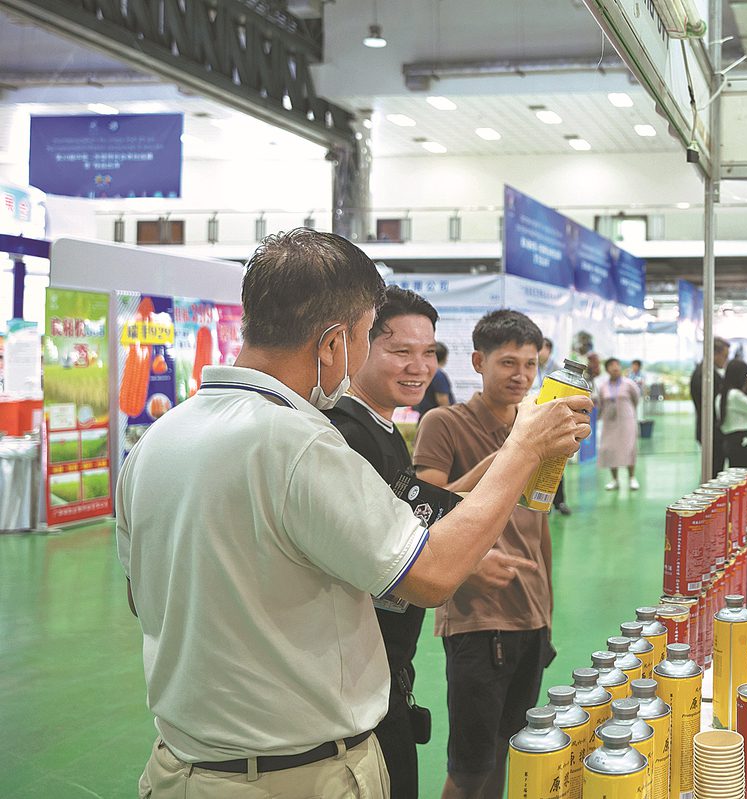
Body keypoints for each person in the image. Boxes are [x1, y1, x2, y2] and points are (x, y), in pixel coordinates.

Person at [116, 229, 591, 798]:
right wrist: (524, 450)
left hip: (182, 768)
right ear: (334, 341)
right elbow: (431, 575)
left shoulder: (156, 442)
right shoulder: (301, 443)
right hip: (295, 774)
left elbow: (140, 596)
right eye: (371, 337)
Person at [413, 310, 558, 799]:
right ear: (478, 361)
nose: (520, 375)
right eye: (507, 362)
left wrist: (547, 612)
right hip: (477, 621)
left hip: (529, 618)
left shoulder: (534, 428)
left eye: (530, 365)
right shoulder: (444, 424)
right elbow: (424, 515)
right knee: (472, 766)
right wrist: (509, 455)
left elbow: (538, 529)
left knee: (511, 753)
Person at [323, 286, 439, 798]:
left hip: (389, 669)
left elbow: (418, 509)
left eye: (429, 352)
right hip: (358, 677)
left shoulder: (385, 430)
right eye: (401, 351)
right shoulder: (345, 435)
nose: (419, 366)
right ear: (356, 346)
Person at [532, 337, 571, 515]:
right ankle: (537, 502)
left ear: (548, 349)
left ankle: (559, 502)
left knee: (555, 464)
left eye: (540, 349)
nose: (537, 353)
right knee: (535, 464)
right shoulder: (532, 368)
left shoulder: (558, 372)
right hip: (534, 419)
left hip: (553, 422)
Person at [597, 357, 641, 491]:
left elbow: (636, 399)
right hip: (610, 423)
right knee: (611, 450)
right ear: (607, 369)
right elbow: (600, 403)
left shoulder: (629, 384)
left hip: (627, 422)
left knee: (629, 448)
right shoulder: (603, 386)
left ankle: (632, 478)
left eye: (617, 365)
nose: (615, 367)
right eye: (611, 365)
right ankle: (614, 480)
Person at [690, 337, 730, 477]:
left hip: (711, 430)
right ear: (715, 354)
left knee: (714, 469)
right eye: (724, 356)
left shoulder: (707, 372)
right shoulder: (705, 376)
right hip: (711, 431)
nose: (726, 360)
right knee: (713, 472)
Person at [416, 341, 454, 418]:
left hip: (425, 416)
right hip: (437, 419)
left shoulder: (425, 373)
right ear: (445, 357)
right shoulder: (439, 375)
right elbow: (442, 400)